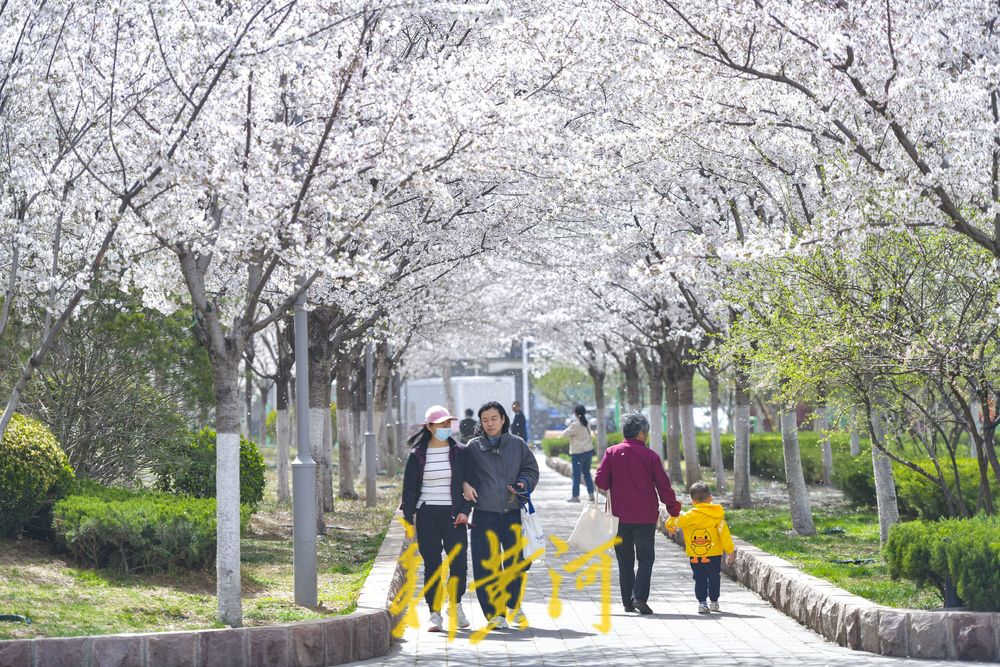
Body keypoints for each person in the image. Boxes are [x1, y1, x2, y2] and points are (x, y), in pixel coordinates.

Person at [462, 400, 539, 630]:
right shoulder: (473, 447)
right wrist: (465, 483)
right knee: (486, 565)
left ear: (503, 419)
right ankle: (494, 614)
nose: (489, 424)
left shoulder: (517, 444)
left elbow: (530, 469)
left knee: (516, 562)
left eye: (494, 419)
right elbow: (461, 473)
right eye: (485, 420)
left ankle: (514, 605)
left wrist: (523, 483)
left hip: (513, 512)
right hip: (484, 514)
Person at [594, 411, 681, 615]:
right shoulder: (650, 456)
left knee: (625, 560)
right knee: (645, 558)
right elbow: (663, 486)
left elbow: (600, 481)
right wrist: (673, 508)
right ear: (641, 433)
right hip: (645, 517)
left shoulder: (612, 452)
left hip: (619, 518)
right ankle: (639, 597)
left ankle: (627, 601)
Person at [399, 405, 474, 633]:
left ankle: (456, 605)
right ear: (429, 427)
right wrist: (409, 519)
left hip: (454, 515)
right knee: (432, 565)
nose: (445, 427)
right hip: (427, 514)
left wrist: (465, 510)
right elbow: (409, 488)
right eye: (441, 424)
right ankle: (434, 613)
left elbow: (471, 484)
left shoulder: (460, 452)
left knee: (459, 563)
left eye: (448, 423)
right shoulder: (418, 455)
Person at [666, 481, 736, 615]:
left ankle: (702, 603)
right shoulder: (717, 516)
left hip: (696, 556)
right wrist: (730, 551)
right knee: (714, 576)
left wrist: (671, 528)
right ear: (710, 498)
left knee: (699, 578)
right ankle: (714, 602)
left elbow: (674, 520)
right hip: (714, 554)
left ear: (692, 501)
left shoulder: (689, 516)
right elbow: (724, 534)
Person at [561, 404, 595, 503]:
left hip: (578, 453)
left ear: (576, 414)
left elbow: (564, 434)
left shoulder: (575, 425)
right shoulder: (587, 423)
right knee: (587, 474)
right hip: (588, 452)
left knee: (576, 475)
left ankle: (575, 496)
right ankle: (591, 495)